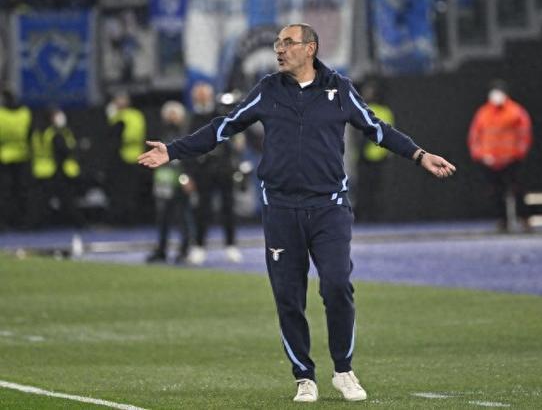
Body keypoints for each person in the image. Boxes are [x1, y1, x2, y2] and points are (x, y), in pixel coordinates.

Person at [138, 23, 456, 403]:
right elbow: (224, 127)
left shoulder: (339, 89)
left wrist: (419, 155)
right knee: (289, 297)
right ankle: (304, 376)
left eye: (288, 42)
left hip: (329, 208)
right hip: (281, 209)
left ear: (310, 48)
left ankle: (344, 370)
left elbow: (378, 129)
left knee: (337, 285)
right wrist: (173, 151)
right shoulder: (267, 90)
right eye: (278, 43)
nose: (279, 49)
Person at [185, 82, 243, 265]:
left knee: (228, 208)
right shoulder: (192, 119)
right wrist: (188, 175)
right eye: (199, 95)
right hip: (202, 170)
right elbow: (187, 147)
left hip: (223, 168)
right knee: (202, 210)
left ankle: (231, 245)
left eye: (204, 94)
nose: (202, 98)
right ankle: (199, 246)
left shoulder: (221, 113)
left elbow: (234, 138)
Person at [468, 79, 532, 231]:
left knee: (517, 190)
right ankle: (502, 221)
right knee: (496, 192)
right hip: (490, 161)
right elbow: (475, 136)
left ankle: (524, 219)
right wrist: (480, 156)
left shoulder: (515, 111)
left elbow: (524, 134)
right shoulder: (483, 113)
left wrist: (517, 154)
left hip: (511, 160)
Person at [28, 107, 85, 254]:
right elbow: (61, 152)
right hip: (52, 170)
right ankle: (77, 223)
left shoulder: (36, 133)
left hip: (38, 170)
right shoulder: (53, 133)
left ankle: (35, 224)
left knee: (40, 200)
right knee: (65, 198)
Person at [146, 101, 194, 264]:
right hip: (164, 181)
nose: (172, 118)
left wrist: (187, 178)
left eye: (174, 115)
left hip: (180, 180)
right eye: (169, 115)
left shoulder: (187, 133)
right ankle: (162, 249)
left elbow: (190, 158)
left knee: (183, 217)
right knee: (163, 217)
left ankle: (185, 250)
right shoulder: (161, 133)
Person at [355, 79, 395, 222]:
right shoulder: (368, 110)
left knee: (371, 190)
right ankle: (370, 218)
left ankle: (373, 218)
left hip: (373, 158)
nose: (366, 94)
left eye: (369, 92)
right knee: (368, 190)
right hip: (370, 158)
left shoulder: (375, 110)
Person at [105, 91, 147, 225]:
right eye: (117, 99)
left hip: (132, 157)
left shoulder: (134, 115)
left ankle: (131, 220)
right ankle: (119, 219)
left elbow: (134, 135)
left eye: (122, 99)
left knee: (131, 190)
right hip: (119, 158)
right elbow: (110, 136)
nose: (119, 102)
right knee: (119, 190)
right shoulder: (116, 116)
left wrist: (120, 137)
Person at [0, 89, 32, 230]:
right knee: (21, 191)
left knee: (5, 193)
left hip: (5, 157)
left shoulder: (1, 114)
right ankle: (22, 222)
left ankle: (4, 222)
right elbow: (30, 134)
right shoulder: (25, 113)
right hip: (22, 156)